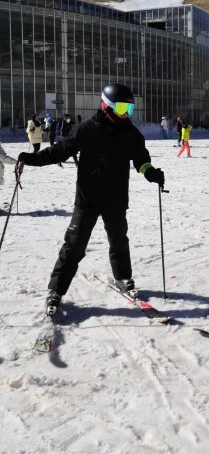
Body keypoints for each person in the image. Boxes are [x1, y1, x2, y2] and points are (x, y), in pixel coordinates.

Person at [17, 83, 165, 316]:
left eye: (130, 108)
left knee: (119, 241)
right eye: (123, 107)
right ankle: (56, 290)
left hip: (115, 199)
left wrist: (151, 172)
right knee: (74, 246)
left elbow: (141, 161)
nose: (126, 113)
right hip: (87, 198)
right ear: (107, 106)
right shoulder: (87, 129)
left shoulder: (131, 134)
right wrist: (31, 159)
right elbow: (60, 151)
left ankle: (124, 278)